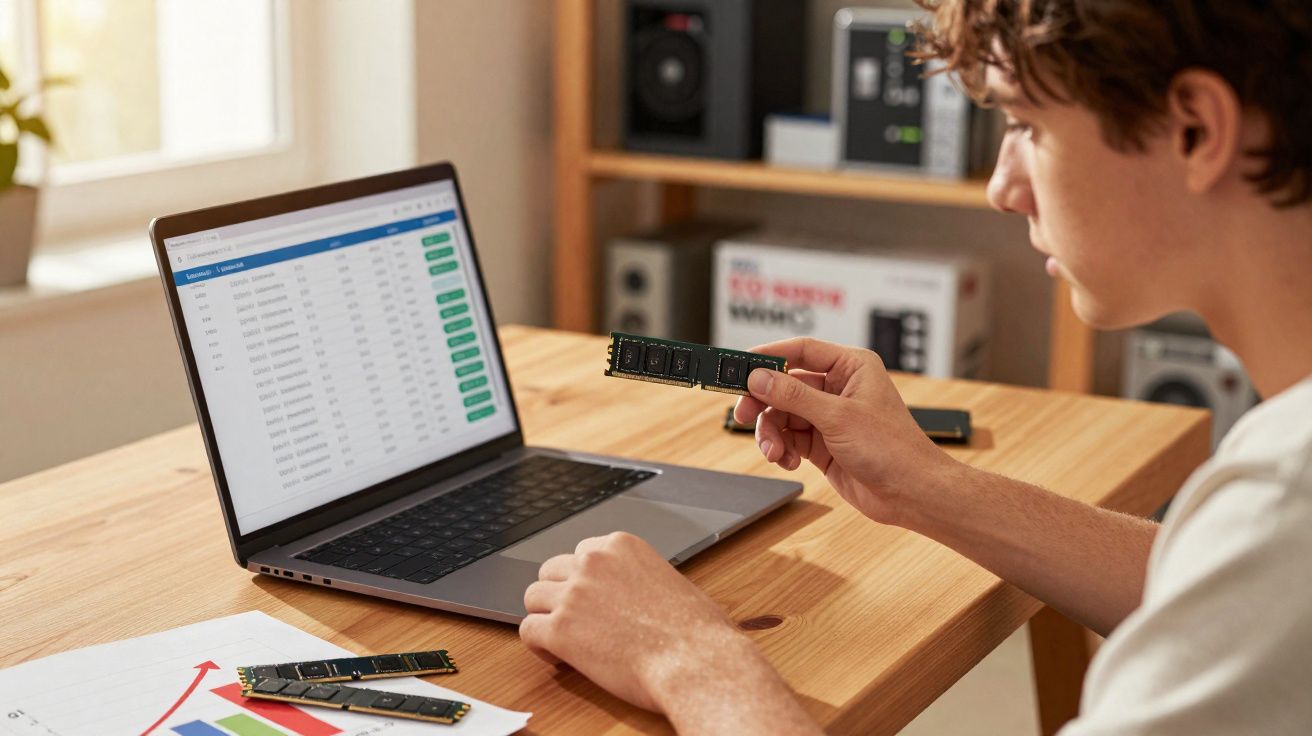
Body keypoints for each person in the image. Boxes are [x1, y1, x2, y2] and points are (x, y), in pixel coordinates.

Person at [518, 1, 1312, 733]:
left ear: (1197, 133)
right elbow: (1221, 590)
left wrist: (688, 660)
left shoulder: (1285, 505)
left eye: (1027, 124)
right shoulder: (1274, 520)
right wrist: (922, 484)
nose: (1004, 187)